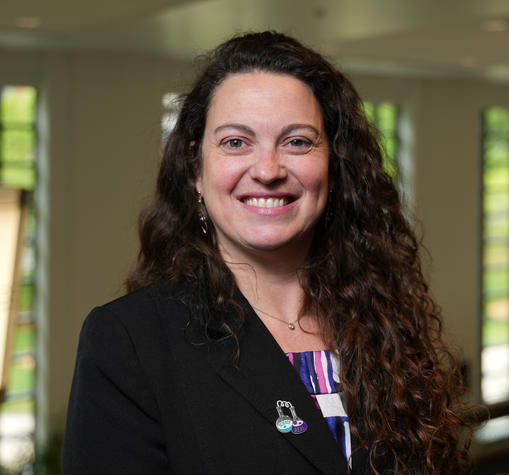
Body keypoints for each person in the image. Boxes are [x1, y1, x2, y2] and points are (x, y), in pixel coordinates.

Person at [63, 31, 471, 474]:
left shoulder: (385, 324)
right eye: (236, 142)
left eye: (297, 141)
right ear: (196, 169)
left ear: (334, 165)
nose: (268, 170)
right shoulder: (129, 342)